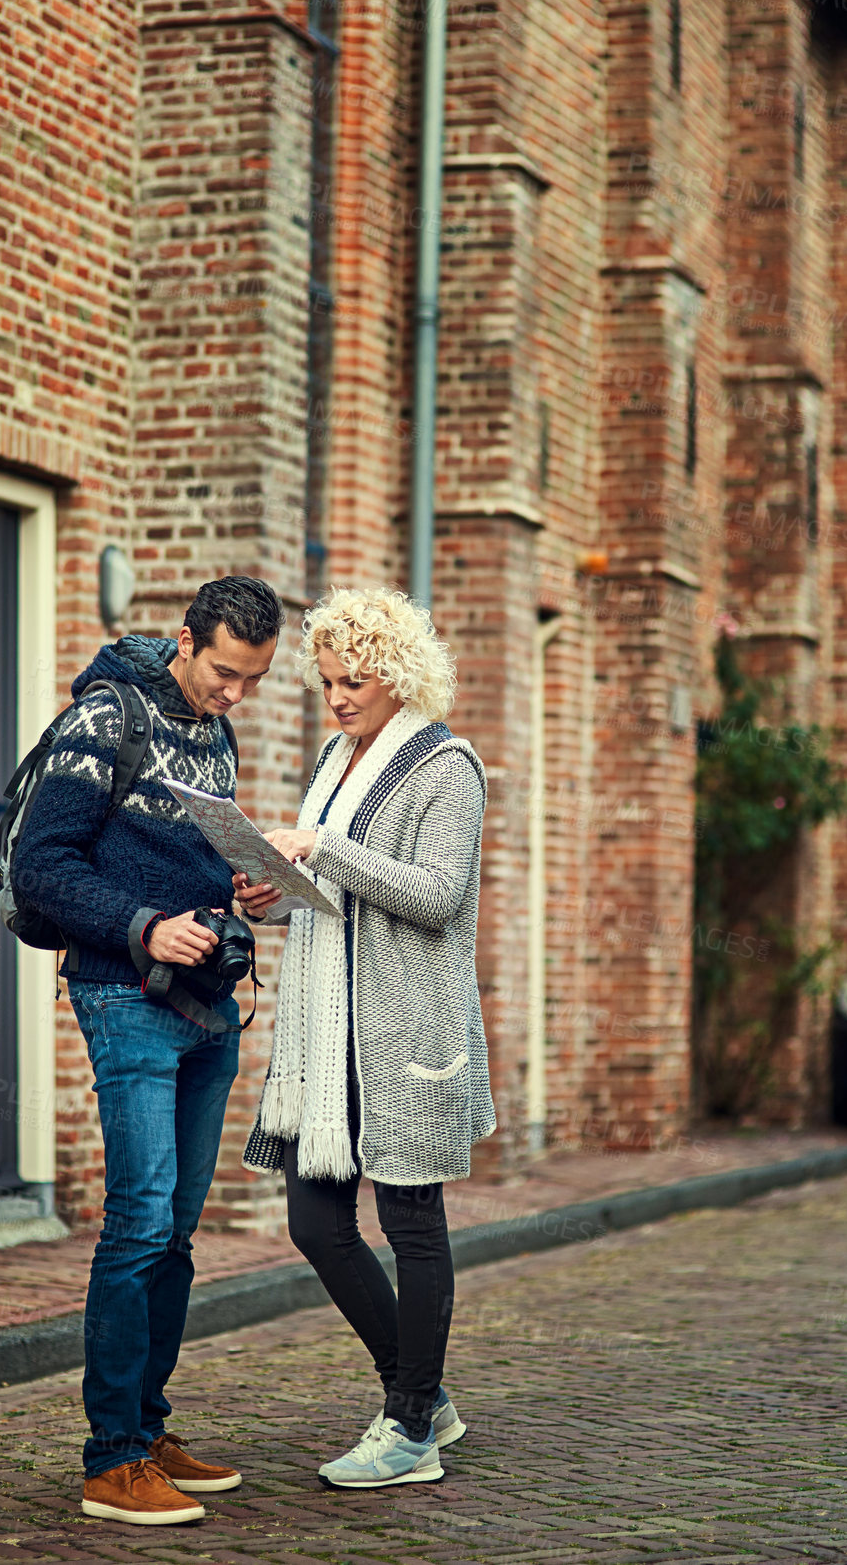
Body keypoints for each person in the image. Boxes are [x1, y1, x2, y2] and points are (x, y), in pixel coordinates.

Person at [13, 574, 284, 1526]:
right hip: (123, 993)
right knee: (136, 1222)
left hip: (205, 1006)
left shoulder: (218, 732)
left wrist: (242, 890)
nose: (234, 695)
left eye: (252, 679)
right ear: (184, 639)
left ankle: (148, 1421)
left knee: (174, 1232)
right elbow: (40, 867)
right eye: (223, 673)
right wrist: (143, 924)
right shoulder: (105, 717)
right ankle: (111, 1455)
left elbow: (187, 858)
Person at [235, 585, 494, 1489]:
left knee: (412, 1223)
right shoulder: (333, 758)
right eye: (330, 680)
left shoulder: (446, 767)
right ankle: (420, 1391)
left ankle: (411, 1425)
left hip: (405, 1029)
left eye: (357, 681)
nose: (339, 696)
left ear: (400, 675)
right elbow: (334, 898)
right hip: (329, 1031)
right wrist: (273, 891)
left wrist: (321, 849)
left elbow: (437, 895)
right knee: (316, 1223)